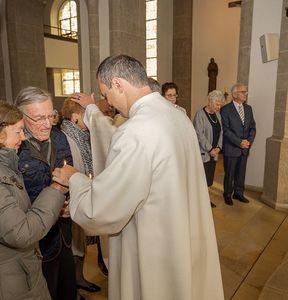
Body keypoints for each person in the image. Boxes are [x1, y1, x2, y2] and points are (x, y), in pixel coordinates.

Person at [52, 54, 224, 300]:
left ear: (119, 84)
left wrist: (75, 179)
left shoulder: (136, 130)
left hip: (153, 244)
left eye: (106, 93)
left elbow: (101, 208)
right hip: (180, 232)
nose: (108, 102)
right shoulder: (178, 116)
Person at [0, 101, 67, 300]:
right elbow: (21, 233)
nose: (23, 137)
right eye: (18, 131)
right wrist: (57, 188)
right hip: (12, 279)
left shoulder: (7, 165)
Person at [15, 87, 77, 300]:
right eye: (39, 118)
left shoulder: (59, 138)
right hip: (35, 243)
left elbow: (70, 174)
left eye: (50, 115)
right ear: (21, 117)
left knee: (67, 288)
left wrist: (70, 201)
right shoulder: (14, 148)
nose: (47, 123)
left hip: (63, 234)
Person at [60, 98, 105, 293]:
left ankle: (79, 279)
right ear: (75, 117)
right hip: (70, 198)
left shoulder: (82, 135)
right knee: (74, 245)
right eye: (86, 115)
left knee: (81, 243)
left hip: (83, 192)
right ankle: (74, 283)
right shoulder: (65, 137)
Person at [220, 83, 256, 206]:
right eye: (242, 92)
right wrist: (239, 142)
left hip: (245, 148)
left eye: (245, 92)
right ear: (235, 94)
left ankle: (238, 193)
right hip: (231, 147)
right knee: (230, 173)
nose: (245, 94)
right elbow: (226, 130)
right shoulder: (225, 109)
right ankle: (227, 194)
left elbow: (253, 127)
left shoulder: (248, 108)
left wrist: (248, 141)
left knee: (241, 172)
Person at [193, 90, 225, 207]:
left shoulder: (218, 115)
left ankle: (205, 200)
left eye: (220, 104)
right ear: (210, 102)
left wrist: (218, 148)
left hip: (214, 152)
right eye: (217, 104)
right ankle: (199, 201)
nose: (219, 107)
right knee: (202, 178)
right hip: (204, 153)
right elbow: (198, 134)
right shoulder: (200, 114)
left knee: (209, 178)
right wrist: (210, 149)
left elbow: (221, 132)